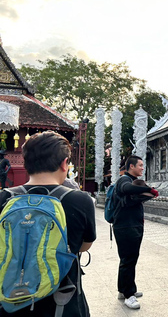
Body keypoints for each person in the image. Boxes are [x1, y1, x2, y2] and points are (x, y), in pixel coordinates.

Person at [0, 131, 96, 317]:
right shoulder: (80, 199)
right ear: (64, 164)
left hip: (9, 298)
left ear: (26, 164)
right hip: (62, 300)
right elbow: (84, 246)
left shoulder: (4, 197)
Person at [112, 155, 158, 310]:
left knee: (128, 260)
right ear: (131, 167)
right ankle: (128, 295)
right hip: (125, 227)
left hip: (132, 226)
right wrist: (148, 189)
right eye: (140, 165)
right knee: (128, 260)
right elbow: (126, 189)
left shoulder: (131, 181)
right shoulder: (124, 181)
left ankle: (123, 290)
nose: (142, 168)